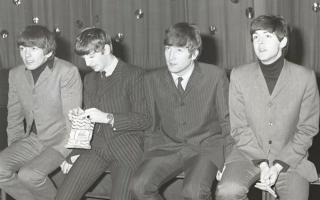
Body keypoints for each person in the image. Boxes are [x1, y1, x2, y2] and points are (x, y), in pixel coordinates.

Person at [215, 15, 320, 200]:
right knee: (227, 191)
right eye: (256, 37)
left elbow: (307, 129)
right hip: (247, 154)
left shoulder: (305, 78)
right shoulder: (239, 76)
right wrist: (263, 164)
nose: (260, 43)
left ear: (283, 41)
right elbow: (239, 128)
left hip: (290, 157)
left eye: (267, 36)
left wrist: (278, 165)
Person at [131, 22, 232, 200]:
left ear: (193, 54)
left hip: (205, 147)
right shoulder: (151, 79)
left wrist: (228, 160)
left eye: (179, 50)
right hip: (167, 147)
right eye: (168, 48)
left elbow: (227, 121)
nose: (171, 56)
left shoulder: (215, 76)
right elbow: (151, 125)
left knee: (193, 192)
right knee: (138, 187)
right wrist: (147, 157)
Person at [55, 27, 151, 200]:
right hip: (96, 148)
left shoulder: (135, 75)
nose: (87, 63)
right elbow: (91, 121)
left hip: (126, 149)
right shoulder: (90, 79)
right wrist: (81, 120)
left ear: (106, 49)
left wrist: (107, 117)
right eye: (84, 58)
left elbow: (144, 119)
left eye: (91, 56)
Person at [0, 25, 82, 200]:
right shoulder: (15, 74)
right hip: (32, 140)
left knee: (29, 175)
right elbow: (14, 117)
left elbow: (73, 122)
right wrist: (15, 145)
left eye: (33, 49)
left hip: (60, 140)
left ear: (48, 50)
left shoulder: (67, 71)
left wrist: (71, 152)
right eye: (22, 49)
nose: (26, 55)